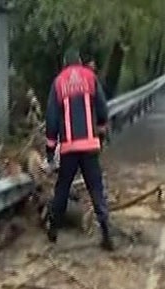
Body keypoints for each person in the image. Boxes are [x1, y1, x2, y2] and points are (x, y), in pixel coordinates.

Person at [44, 48, 114, 251]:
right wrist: (100, 134)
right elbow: (102, 109)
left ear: (65, 63)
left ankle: (53, 231)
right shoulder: (90, 77)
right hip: (90, 146)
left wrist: (50, 150)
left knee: (62, 189)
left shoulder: (58, 83)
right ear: (80, 61)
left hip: (69, 148)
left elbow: (52, 119)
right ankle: (106, 233)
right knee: (96, 189)